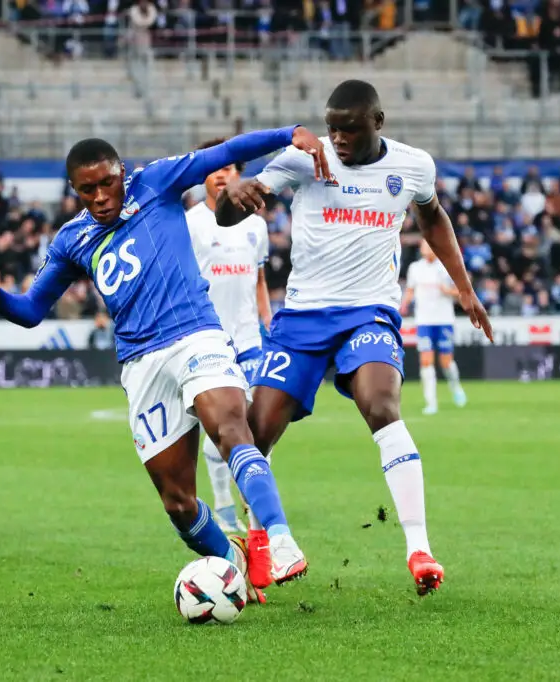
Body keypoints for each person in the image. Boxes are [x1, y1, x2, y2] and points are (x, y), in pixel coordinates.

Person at [0, 127, 330, 600]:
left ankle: (279, 539)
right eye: (86, 190)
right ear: (74, 190)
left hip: (196, 335)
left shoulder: (156, 182)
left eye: (106, 183)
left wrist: (289, 135)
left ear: (122, 174)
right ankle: (231, 564)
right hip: (141, 364)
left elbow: (228, 151)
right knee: (178, 503)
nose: (99, 196)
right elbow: (30, 311)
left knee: (231, 428)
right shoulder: (71, 240)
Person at [216, 80, 493, 595]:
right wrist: (232, 198)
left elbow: (434, 218)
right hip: (302, 318)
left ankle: (419, 550)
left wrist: (464, 287)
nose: (338, 138)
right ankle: (260, 544)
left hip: (368, 312)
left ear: (377, 123)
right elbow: (231, 212)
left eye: (349, 128)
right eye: (332, 128)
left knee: (381, 405)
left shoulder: (413, 166)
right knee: (256, 432)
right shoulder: (303, 160)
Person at [186, 138, 273, 535]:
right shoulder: (190, 223)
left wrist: (268, 321)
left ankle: (255, 505)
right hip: (208, 339)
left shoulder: (256, 225)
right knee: (221, 423)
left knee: (259, 425)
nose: (222, 175)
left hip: (250, 338)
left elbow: (259, 279)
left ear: (239, 175)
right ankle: (223, 503)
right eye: (214, 169)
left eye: (229, 169)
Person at [400, 239, 467, 414]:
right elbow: (410, 290)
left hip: (444, 319)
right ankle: (431, 402)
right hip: (424, 320)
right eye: (424, 245)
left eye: (429, 245)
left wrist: (448, 291)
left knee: (446, 362)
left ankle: (455, 386)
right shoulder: (415, 268)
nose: (426, 248)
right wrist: (404, 305)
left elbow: (461, 291)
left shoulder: (447, 266)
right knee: (426, 361)